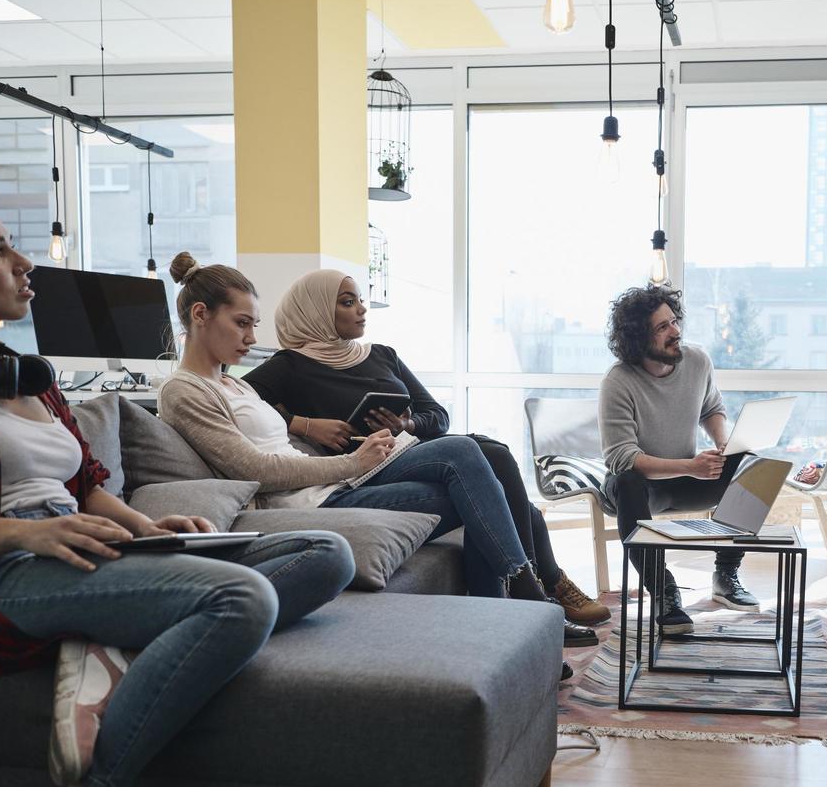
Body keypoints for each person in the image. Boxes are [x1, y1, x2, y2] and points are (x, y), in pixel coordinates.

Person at [0, 188, 357, 787]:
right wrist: (26, 531)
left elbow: (83, 486)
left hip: (85, 553)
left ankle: (122, 649)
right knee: (239, 596)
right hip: (0, 573)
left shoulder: (27, 375)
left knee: (325, 554)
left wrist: (148, 529)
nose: (22, 263)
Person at [154, 253, 575, 676]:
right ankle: (526, 597)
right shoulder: (185, 392)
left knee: (475, 484)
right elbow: (256, 470)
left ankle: (501, 630)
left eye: (253, 325)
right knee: (465, 455)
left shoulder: (231, 383)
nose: (251, 336)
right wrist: (350, 462)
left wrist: (365, 450)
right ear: (201, 315)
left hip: (331, 489)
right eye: (242, 323)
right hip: (306, 507)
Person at [241, 268, 609, 643]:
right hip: (362, 469)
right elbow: (238, 396)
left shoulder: (382, 355)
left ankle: (506, 622)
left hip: (408, 452)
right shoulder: (290, 366)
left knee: (494, 464)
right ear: (314, 311)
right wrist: (305, 425)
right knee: (468, 451)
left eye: (360, 300)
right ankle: (534, 592)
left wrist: (408, 425)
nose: (361, 310)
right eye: (347, 302)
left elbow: (437, 415)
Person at [599, 284, 756, 636]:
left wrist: (724, 444)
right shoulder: (618, 382)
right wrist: (690, 467)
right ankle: (664, 590)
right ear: (640, 339)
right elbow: (622, 456)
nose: (676, 332)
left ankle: (726, 575)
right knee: (627, 483)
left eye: (674, 321)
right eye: (662, 327)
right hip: (640, 485)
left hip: (686, 479)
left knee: (749, 464)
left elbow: (712, 408)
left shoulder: (697, 360)